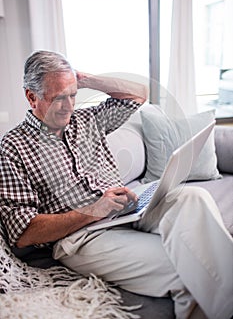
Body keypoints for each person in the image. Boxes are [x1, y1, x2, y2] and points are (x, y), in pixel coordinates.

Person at [0, 50, 232, 319]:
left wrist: (84, 79)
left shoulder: (87, 120)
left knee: (193, 197)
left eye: (72, 95)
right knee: (187, 270)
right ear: (32, 97)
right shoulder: (12, 148)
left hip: (127, 208)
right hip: (82, 237)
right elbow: (24, 233)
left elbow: (138, 95)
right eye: (58, 98)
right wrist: (93, 210)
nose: (68, 106)